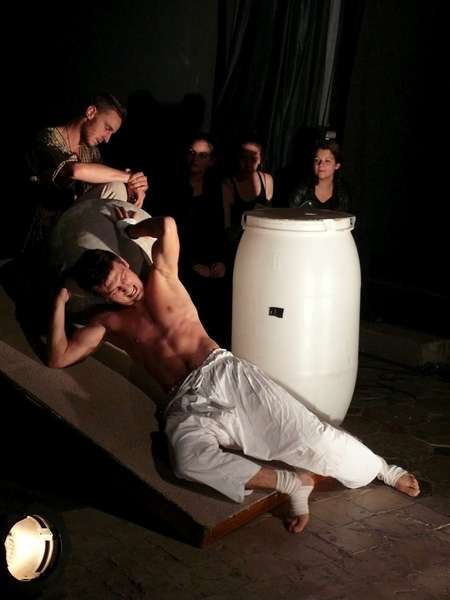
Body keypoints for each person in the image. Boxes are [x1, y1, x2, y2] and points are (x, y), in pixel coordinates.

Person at [47, 207, 420, 534]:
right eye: (115, 290)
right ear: (102, 296)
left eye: (123, 278)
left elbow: (168, 226)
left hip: (222, 372)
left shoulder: (162, 278)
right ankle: (290, 482)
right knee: (187, 459)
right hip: (183, 402)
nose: (127, 289)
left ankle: (382, 469)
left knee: (308, 433)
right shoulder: (109, 323)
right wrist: (60, 302)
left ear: (125, 264)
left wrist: (133, 229)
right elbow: (59, 357)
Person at [25, 92, 149, 253]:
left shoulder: (91, 153)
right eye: (107, 128)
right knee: (116, 186)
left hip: (73, 228)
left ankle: (110, 257)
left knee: (120, 190)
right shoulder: (46, 138)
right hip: (41, 233)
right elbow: (73, 170)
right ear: (91, 112)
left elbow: (103, 188)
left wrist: (132, 187)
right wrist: (128, 177)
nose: (107, 139)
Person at [169, 133, 228, 346]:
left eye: (202, 155)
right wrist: (192, 264)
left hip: (208, 259)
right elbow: (172, 231)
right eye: (192, 153)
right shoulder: (173, 187)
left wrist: (220, 260)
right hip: (179, 259)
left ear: (211, 161)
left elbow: (218, 229)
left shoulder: (215, 188)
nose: (195, 159)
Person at [222, 136, 273, 265]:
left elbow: (270, 222)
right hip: (237, 249)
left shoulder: (267, 180)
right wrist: (249, 218)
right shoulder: (228, 185)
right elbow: (226, 234)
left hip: (261, 246)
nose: (248, 163)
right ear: (237, 158)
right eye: (244, 158)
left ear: (260, 159)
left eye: (253, 158)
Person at [289, 139, 350, 211]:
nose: (320, 164)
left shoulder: (342, 193)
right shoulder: (302, 189)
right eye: (317, 160)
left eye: (327, 161)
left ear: (337, 166)